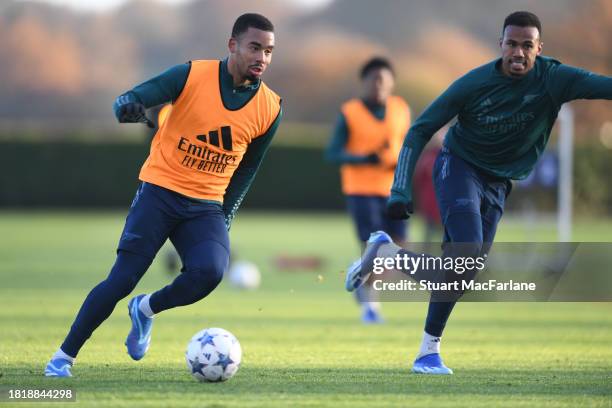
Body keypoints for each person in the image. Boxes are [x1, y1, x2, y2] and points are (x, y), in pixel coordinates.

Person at [346, 11, 611, 374]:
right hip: (458, 166)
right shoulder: (475, 83)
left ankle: (422, 342)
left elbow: (604, 85)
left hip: (499, 183)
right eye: (512, 44)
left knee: (464, 271)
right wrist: (400, 188)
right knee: (467, 250)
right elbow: (421, 128)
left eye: (527, 45)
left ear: (539, 48)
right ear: (500, 44)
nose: (519, 52)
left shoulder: (556, 79)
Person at [44, 13, 282, 377]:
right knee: (122, 279)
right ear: (232, 45)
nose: (262, 58)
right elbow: (128, 100)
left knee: (210, 272)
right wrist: (127, 109)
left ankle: (145, 309)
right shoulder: (190, 75)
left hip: (205, 208)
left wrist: (226, 212)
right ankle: (63, 357)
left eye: (268, 51)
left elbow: (249, 167)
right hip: (160, 192)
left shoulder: (271, 107)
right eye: (254, 48)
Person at [326, 57, 411, 323]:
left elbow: (407, 143)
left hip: (394, 190)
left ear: (392, 83)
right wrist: (364, 159)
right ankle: (371, 308)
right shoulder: (350, 112)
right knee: (375, 247)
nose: (378, 85)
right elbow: (332, 153)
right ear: (363, 82)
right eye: (373, 80)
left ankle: (360, 277)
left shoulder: (401, 109)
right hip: (361, 190)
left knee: (399, 250)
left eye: (383, 80)